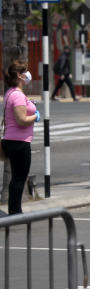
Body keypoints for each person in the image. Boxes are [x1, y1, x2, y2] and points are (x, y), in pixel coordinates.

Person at [3, 59, 39, 215]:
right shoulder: (17, 95)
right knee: (19, 178)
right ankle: (15, 212)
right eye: (25, 71)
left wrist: (28, 103)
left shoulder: (10, 93)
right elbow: (21, 120)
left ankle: (14, 210)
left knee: (16, 178)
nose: (27, 74)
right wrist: (35, 117)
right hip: (19, 142)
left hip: (12, 140)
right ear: (19, 75)